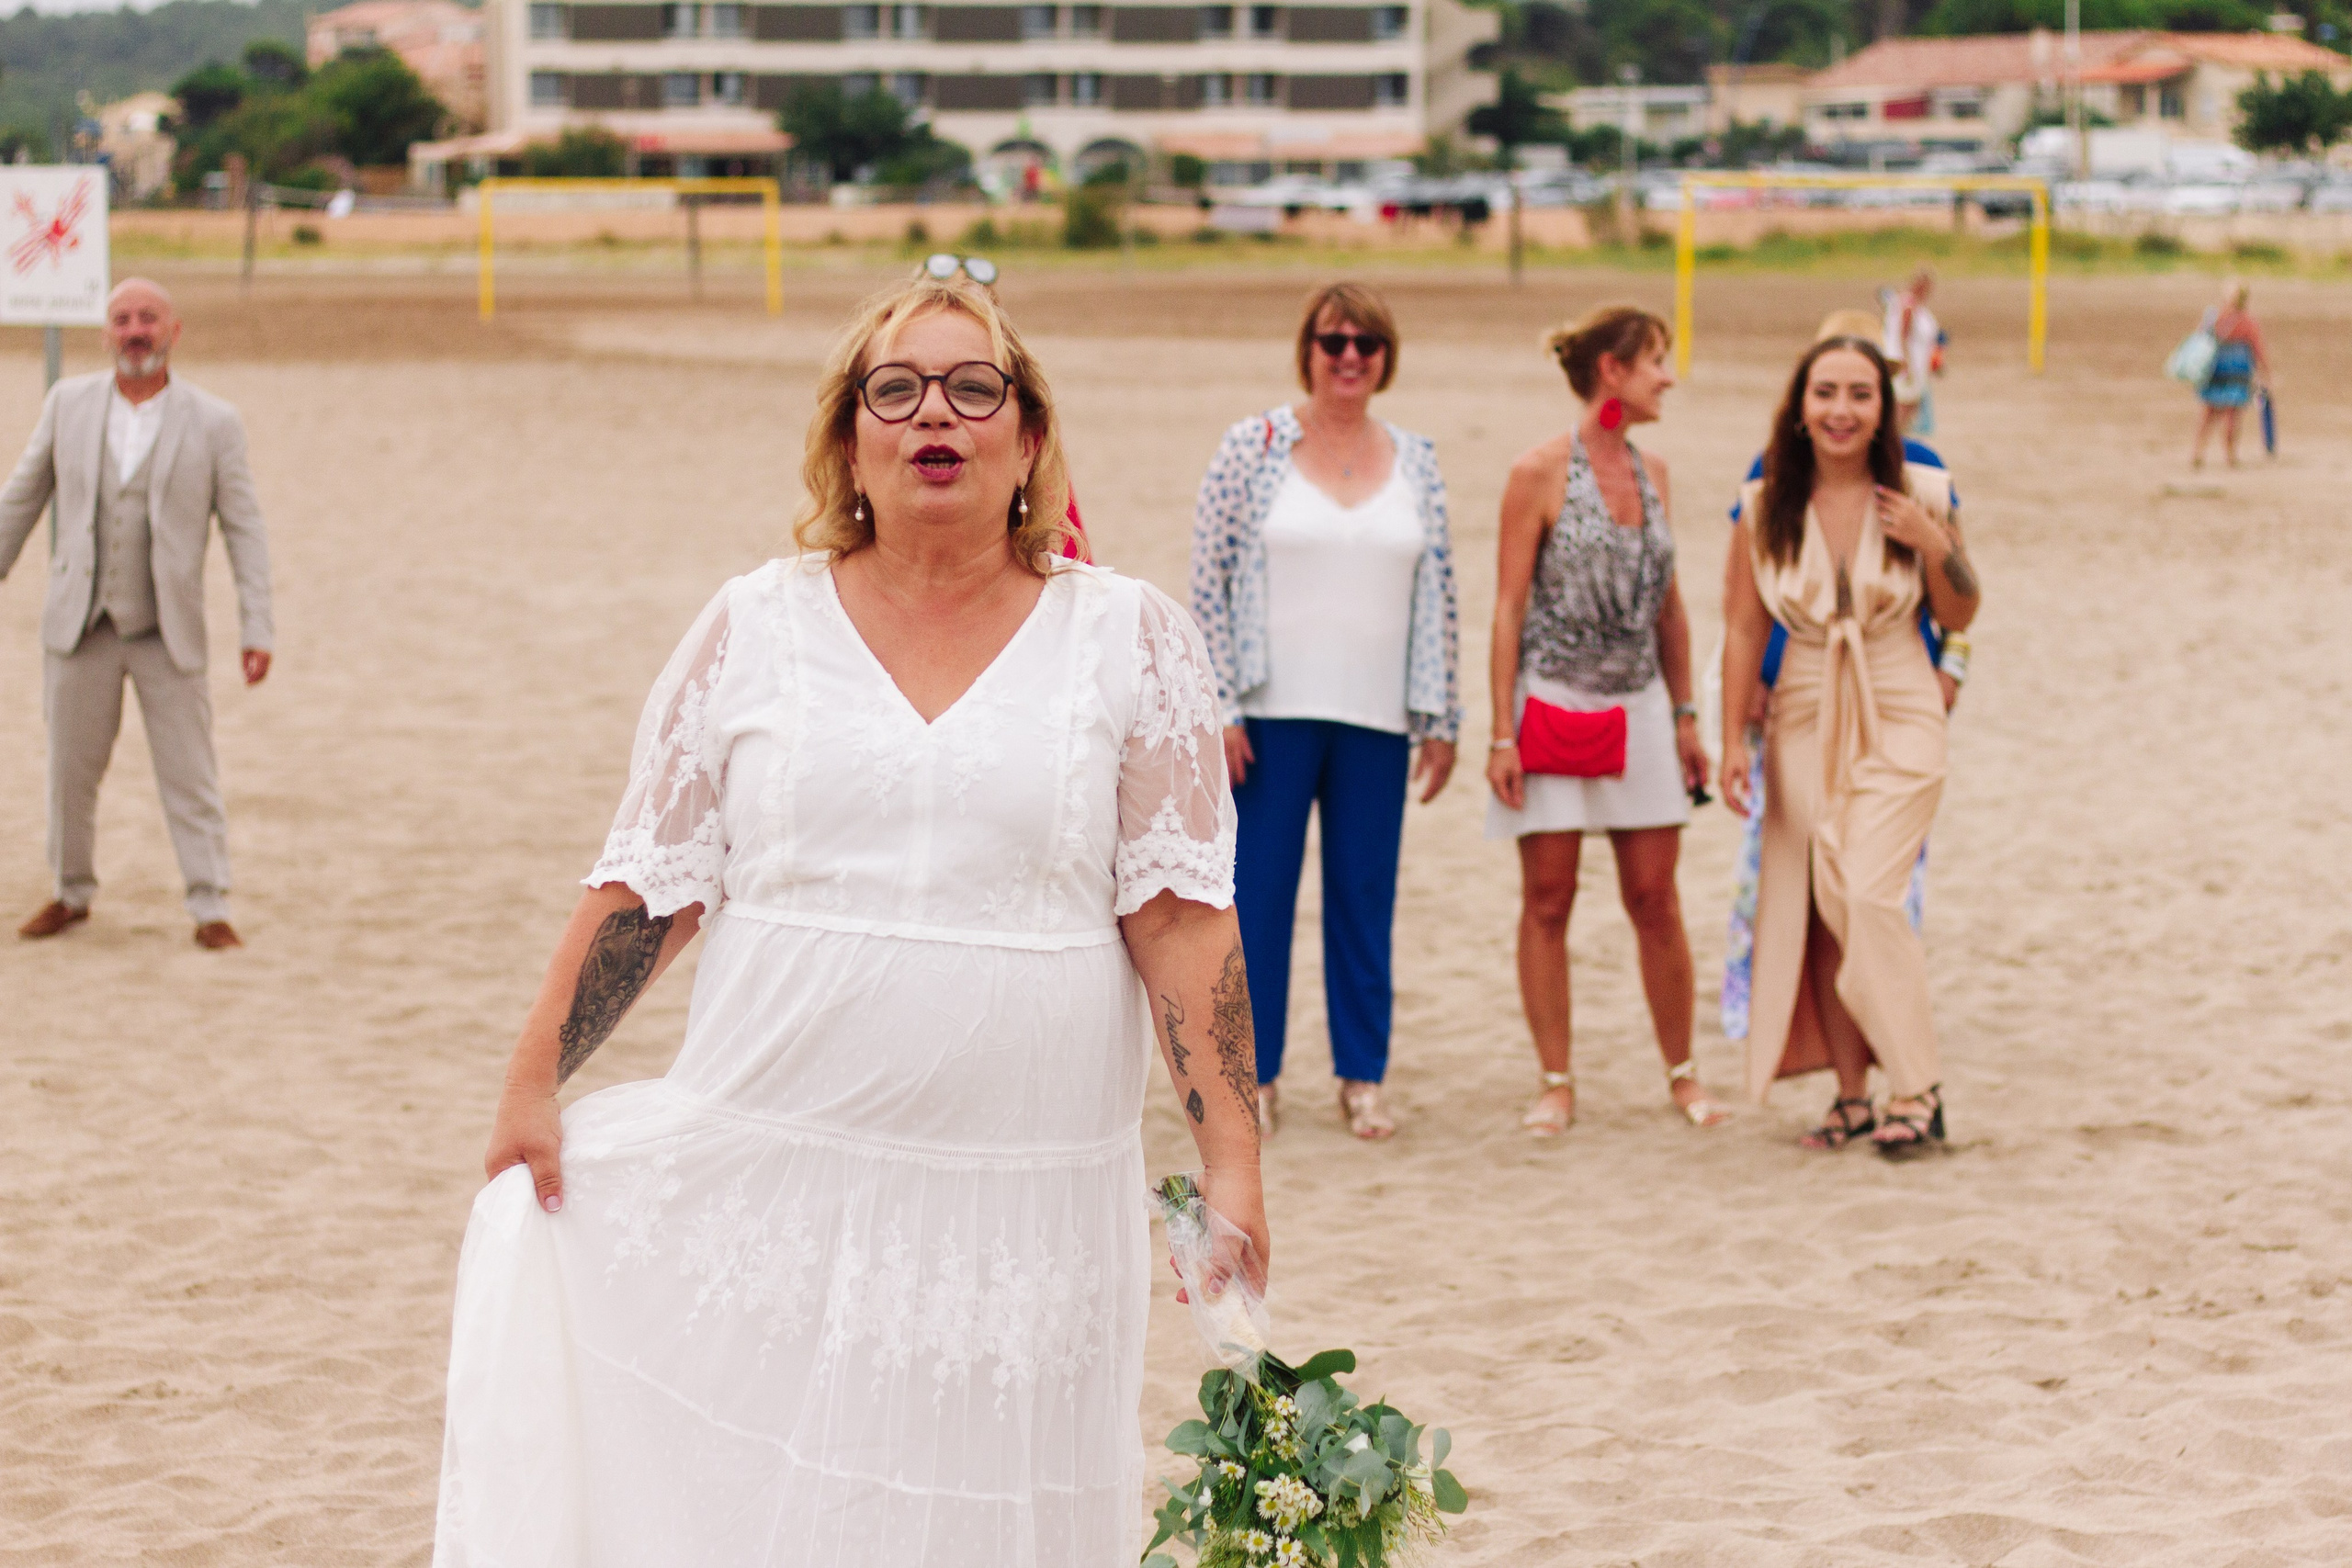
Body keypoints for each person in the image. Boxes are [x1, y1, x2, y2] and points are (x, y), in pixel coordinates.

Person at [435, 275, 1264, 1566]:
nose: (936, 412)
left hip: (1026, 1206)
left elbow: (1181, 922)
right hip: (781, 1169)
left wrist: (1236, 1163)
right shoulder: (753, 627)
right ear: (850, 441)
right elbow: (652, 883)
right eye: (897, 389)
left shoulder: (1132, 638)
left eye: (974, 387)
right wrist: (533, 1074)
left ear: (1029, 438)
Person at [1189, 282, 1461, 1142]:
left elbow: (1441, 590)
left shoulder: (1416, 458)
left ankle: (1361, 1078)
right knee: (1258, 899)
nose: (1349, 357)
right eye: (1333, 341)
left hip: (1379, 715)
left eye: (1366, 344)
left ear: (1386, 357)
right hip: (1270, 714)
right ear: (1307, 348)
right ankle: (1255, 1078)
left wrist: (1444, 715)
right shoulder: (1253, 444)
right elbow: (1210, 576)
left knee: (1362, 899)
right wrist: (1219, 703)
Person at [1719, 335, 1983, 1158]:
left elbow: (1964, 613)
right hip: (1800, 704)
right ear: (1800, 405)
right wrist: (1731, 738)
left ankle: (1918, 1087)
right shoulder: (1764, 504)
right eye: (1825, 392)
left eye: (1860, 394)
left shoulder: (1923, 488)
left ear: (1885, 407)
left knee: (1869, 892)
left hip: (1898, 693)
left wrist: (1935, 544)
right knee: (1825, 908)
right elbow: (1740, 627)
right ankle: (1864, 1094)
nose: (1841, 410)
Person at [1485, 304, 1724, 1138]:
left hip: (1643, 706)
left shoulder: (1656, 472)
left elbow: (1672, 606)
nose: (1668, 376)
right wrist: (1502, 733)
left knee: (1655, 896)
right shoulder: (1538, 471)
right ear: (1612, 372)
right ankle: (1556, 1080)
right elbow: (1509, 607)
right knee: (1548, 897)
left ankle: (1683, 1073)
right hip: (1552, 701)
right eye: (1656, 360)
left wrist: (1689, 714)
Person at [0, 277, 273, 949]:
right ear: (106, 333)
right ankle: (71, 893)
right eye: (122, 318)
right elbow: (22, 497)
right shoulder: (67, 404)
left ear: (173, 331)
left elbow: (245, 529)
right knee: (70, 769)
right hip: (80, 624)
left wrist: (256, 624)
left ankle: (210, 907)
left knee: (190, 772)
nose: (135, 330)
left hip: (166, 631)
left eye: (148, 317)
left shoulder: (214, 421)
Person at [2192, 279, 2269, 470]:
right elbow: (2257, 348)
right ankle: (2230, 455)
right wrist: (2265, 371)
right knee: (2231, 415)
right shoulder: (2247, 322)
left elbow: (2200, 338)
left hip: (2215, 370)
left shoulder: (2214, 317)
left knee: (2209, 413)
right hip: (2237, 372)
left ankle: (2198, 451)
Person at [1882, 268, 1941, 436]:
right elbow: (1903, 336)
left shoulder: (1910, 303)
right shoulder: (1908, 305)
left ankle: (1902, 439)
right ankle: (1896, 440)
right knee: (1903, 406)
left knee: (1911, 406)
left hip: (1917, 362)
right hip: (1907, 362)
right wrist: (1906, 363)